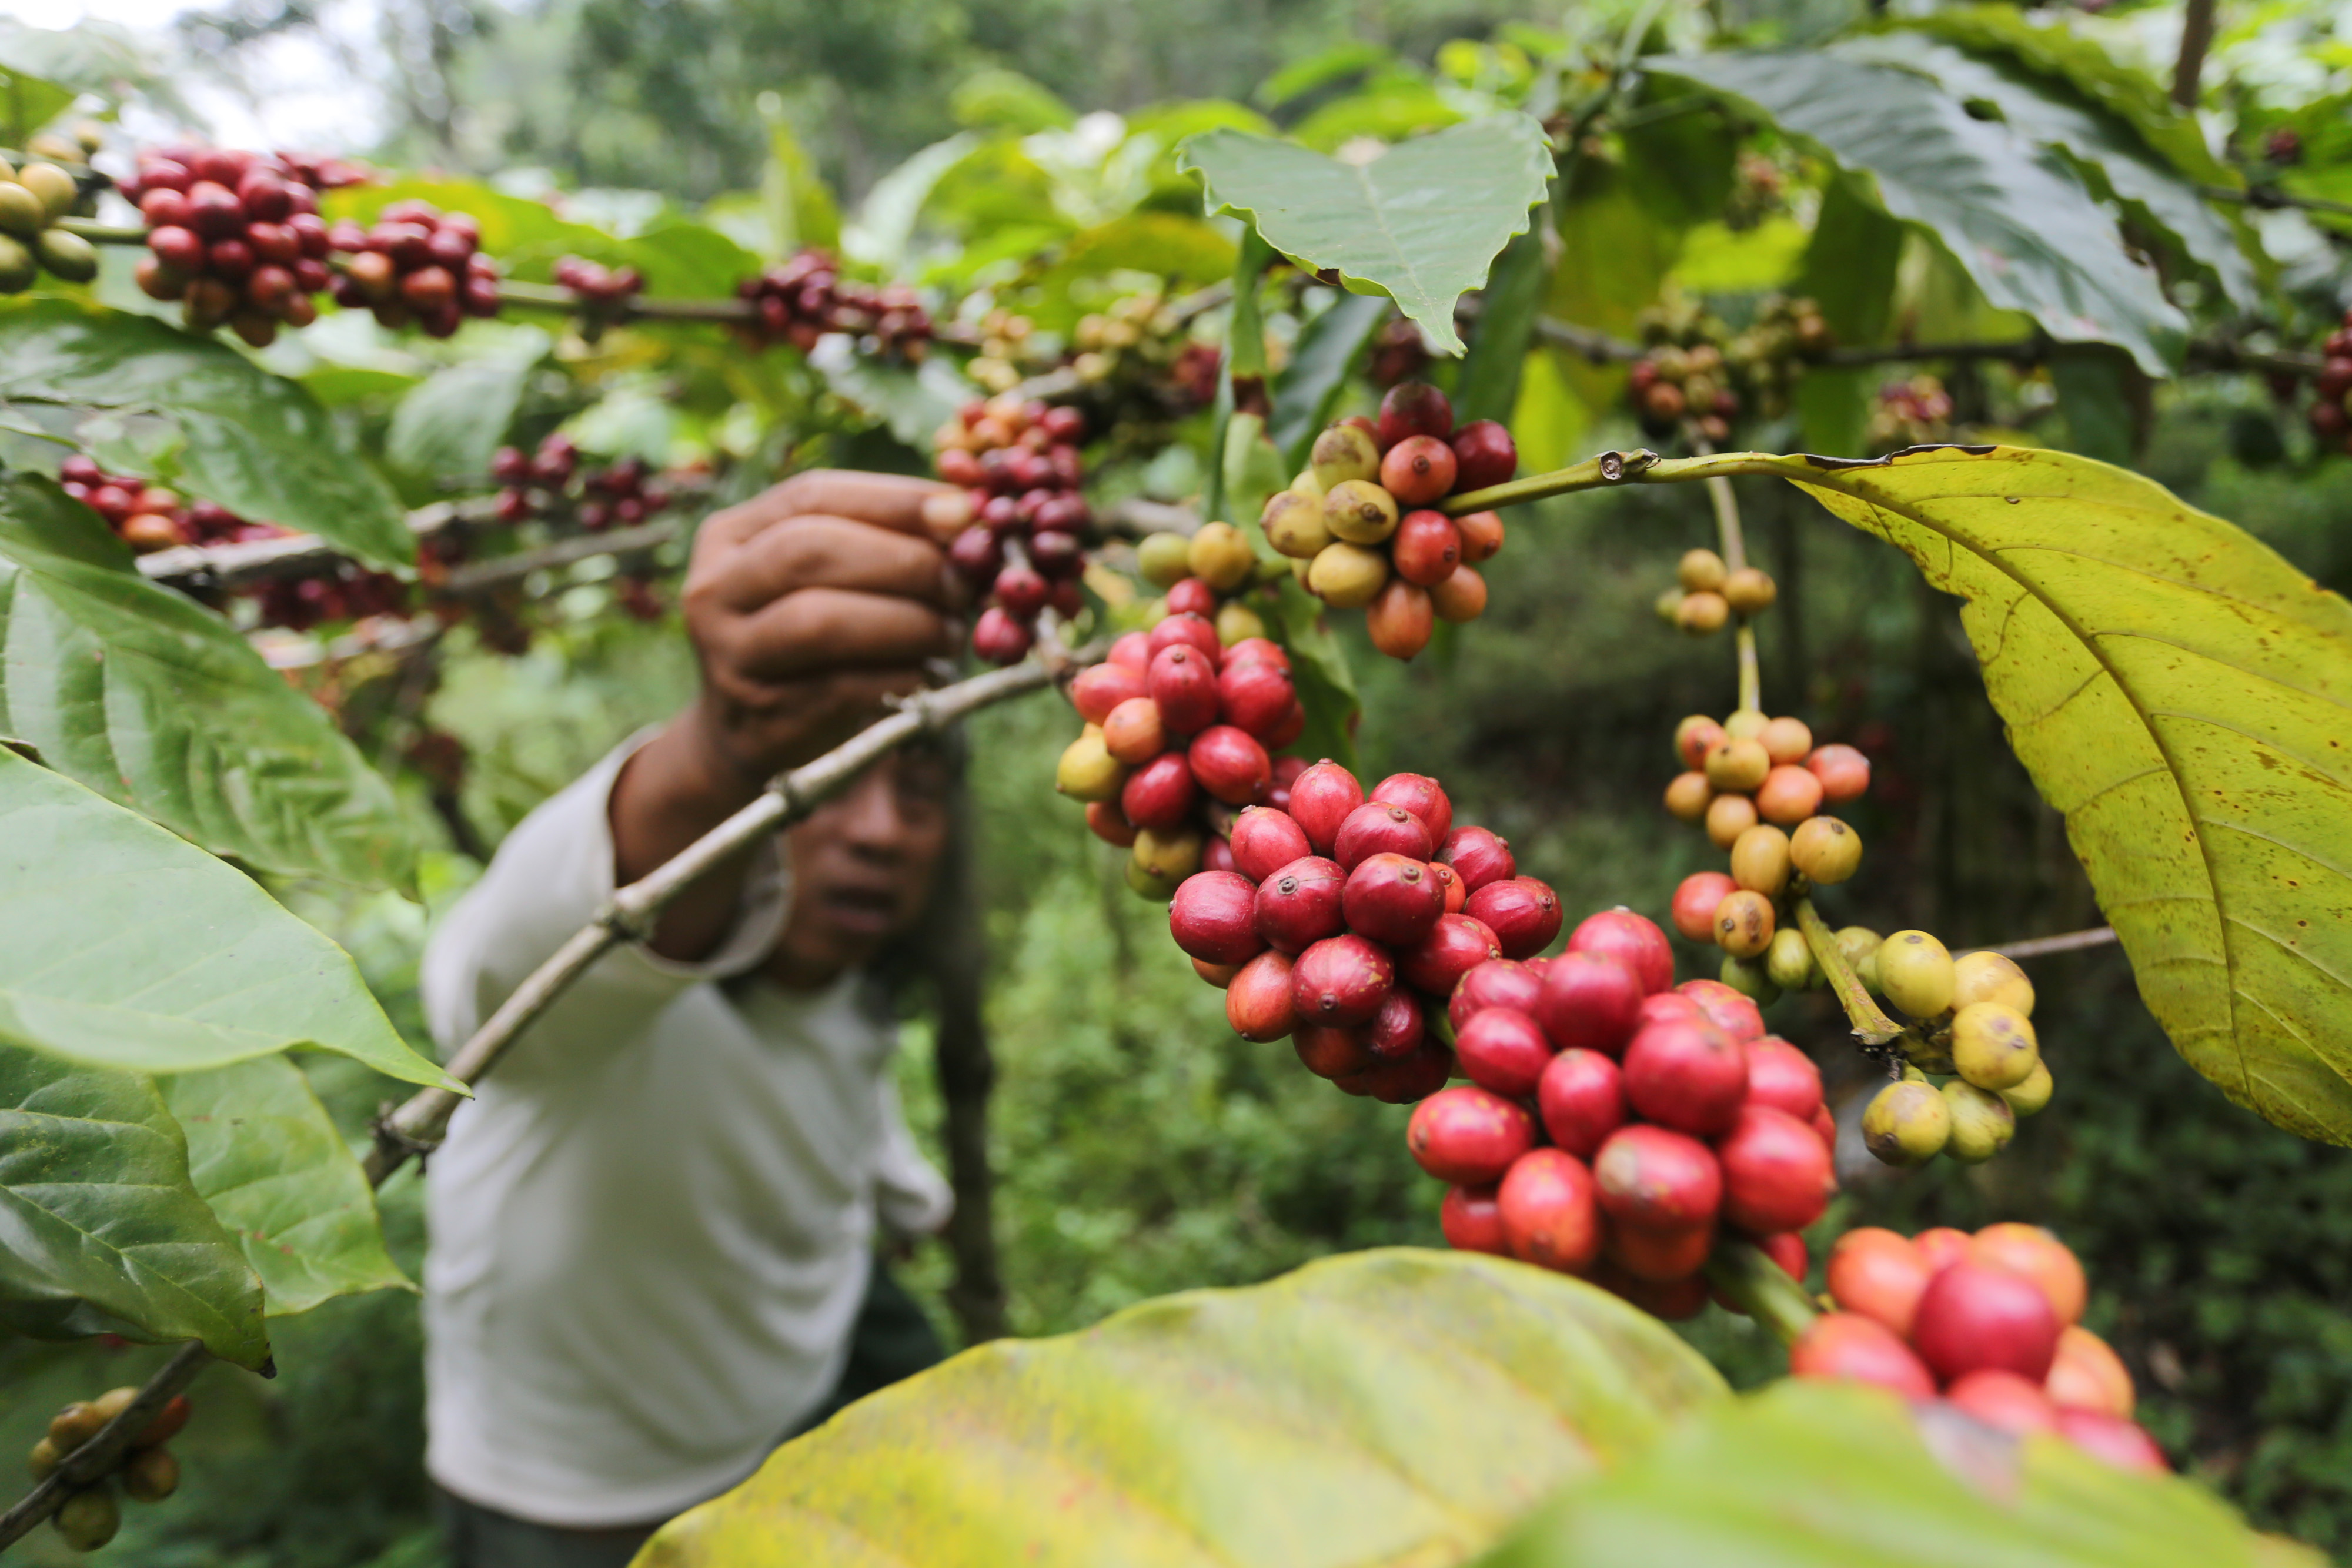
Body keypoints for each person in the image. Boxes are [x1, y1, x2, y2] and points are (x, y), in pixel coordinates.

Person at [418, 471, 971, 1568]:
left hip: (788, 1431)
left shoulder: (846, 990)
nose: (876, 833)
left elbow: (838, 1098)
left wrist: (908, 1194)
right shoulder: (616, 996)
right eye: (829, 780)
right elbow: (499, 989)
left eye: (916, 793)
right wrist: (720, 752)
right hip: (574, 1501)